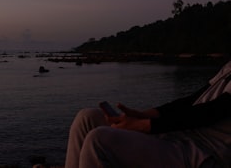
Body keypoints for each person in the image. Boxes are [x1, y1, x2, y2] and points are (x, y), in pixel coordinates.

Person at [66, 61, 231, 168]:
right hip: (182, 137)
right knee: (87, 118)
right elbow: (191, 101)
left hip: (207, 153)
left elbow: (212, 111)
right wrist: (142, 115)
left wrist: (143, 126)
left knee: (99, 140)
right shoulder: (228, 67)